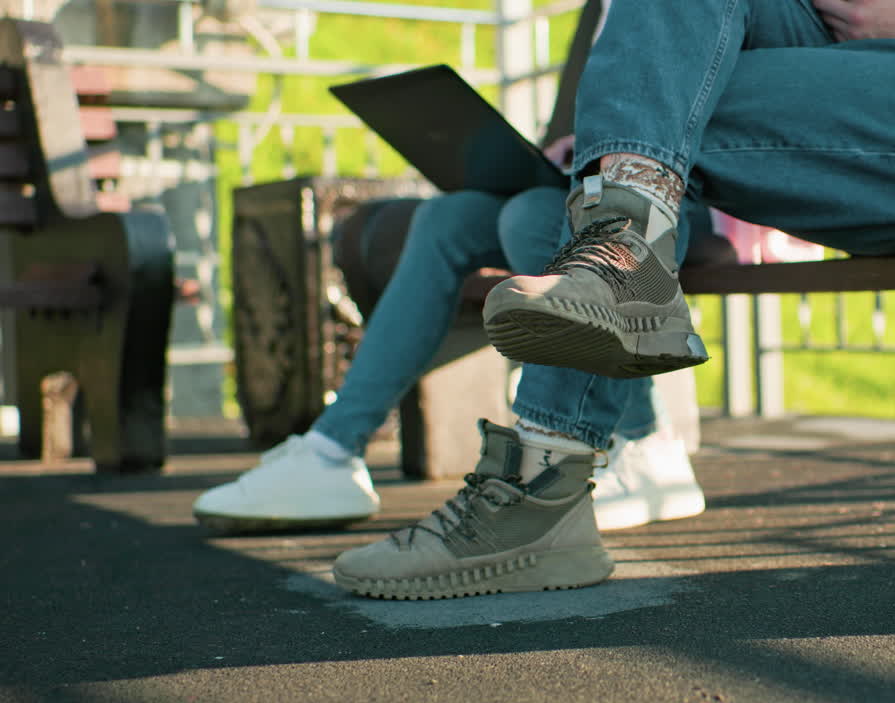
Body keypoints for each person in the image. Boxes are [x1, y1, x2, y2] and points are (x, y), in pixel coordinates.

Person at [326, 0, 895, 600]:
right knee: (598, 153)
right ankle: (617, 256)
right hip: (881, 91)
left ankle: (538, 486)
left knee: (655, 102)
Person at [192, 136, 712, 535]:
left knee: (529, 217)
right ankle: (333, 450)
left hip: (670, 195)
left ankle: (647, 442)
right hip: (584, 184)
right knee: (449, 217)